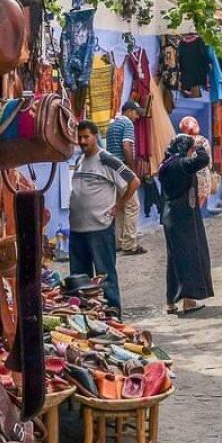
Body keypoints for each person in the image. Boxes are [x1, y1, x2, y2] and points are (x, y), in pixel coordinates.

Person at [69, 120, 140, 318]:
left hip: (99, 227)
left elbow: (134, 180)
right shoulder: (79, 161)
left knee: (104, 274)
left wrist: (119, 205)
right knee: (79, 278)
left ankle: (112, 314)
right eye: (80, 137)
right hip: (77, 229)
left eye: (86, 137)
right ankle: (86, 315)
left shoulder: (106, 159)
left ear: (95, 137)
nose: (82, 141)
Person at [159, 134, 215, 316]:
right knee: (188, 257)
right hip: (183, 217)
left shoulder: (166, 165)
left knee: (173, 259)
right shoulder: (182, 164)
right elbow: (204, 159)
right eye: (190, 149)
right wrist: (198, 145)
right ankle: (189, 301)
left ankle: (170, 302)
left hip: (170, 216)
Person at [105, 100, 147, 255]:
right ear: (128, 111)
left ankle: (118, 242)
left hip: (111, 169)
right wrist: (132, 169)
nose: (136, 116)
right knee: (133, 205)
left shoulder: (112, 125)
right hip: (123, 167)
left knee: (121, 205)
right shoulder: (127, 123)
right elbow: (126, 146)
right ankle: (130, 243)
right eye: (135, 112)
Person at [178, 115, 212, 208]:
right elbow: (209, 162)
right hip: (203, 176)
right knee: (198, 204)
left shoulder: (181, 141)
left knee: (189, 204)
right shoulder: (203, 141)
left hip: (187, 176)